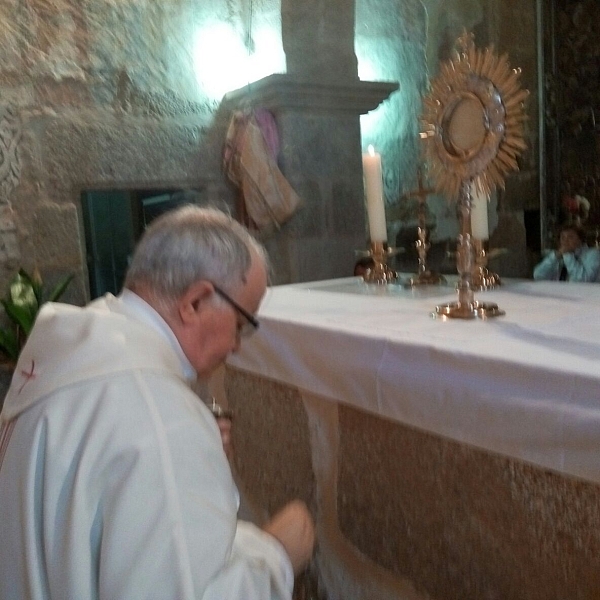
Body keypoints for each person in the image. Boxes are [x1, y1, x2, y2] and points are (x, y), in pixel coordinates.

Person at [0, 206, 315, 600]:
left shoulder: (68, 355)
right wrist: (276, 555)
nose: (235, 346)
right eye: (241, 324)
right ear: (196, 302)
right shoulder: (160, 414)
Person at [533, 223, 600, 282]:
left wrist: (568, 255)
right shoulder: (557, 257)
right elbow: (538, 276)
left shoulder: (593, 254)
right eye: (563, 237)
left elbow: (582, 280)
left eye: (570, 237)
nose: (566, 241)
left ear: (580, 240)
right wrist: (554, 257)